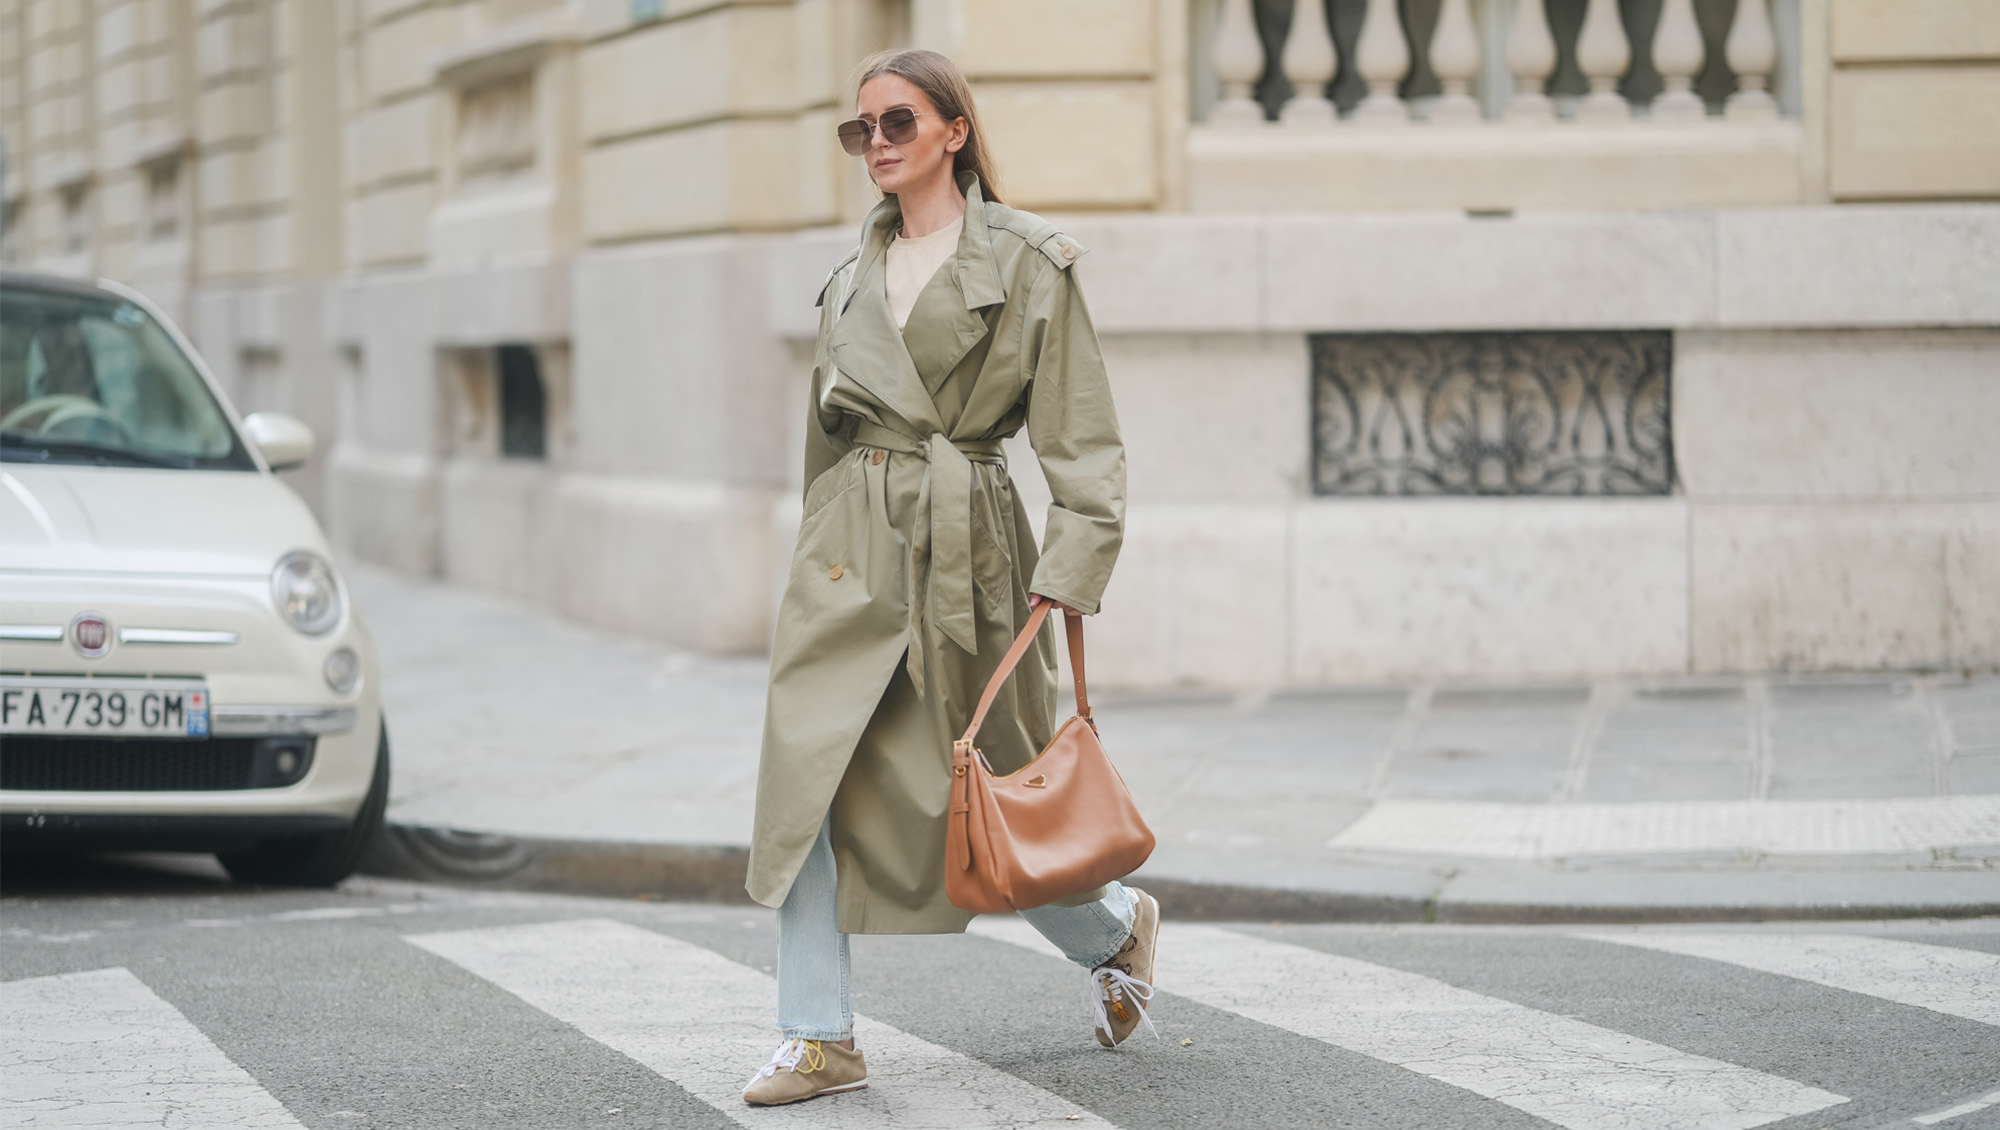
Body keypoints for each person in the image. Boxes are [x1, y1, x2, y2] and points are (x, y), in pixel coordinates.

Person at [740, 48, 1157, 1107]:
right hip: (847, 561)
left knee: (985, 799)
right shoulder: (846, 280)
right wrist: (812, 561)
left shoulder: (1027, 263)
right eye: (860, 129)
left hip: (967, 558)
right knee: (808, 786)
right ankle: (818, 1035)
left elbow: (1083, 440)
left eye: (895, 122)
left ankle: (1114, 925)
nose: (875, 143)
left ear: (952, 131)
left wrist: (1069, 570)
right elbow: (822, 448)